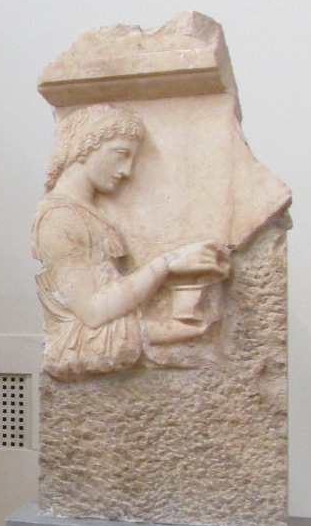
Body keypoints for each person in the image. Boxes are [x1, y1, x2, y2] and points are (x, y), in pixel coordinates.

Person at [32, 103, 228, 380]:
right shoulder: (60, 218)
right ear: (84, 147)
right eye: (121, 154)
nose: (127, 171)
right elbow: (93, 313)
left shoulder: (92, 214)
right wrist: (167, 265)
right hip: (84, 348)